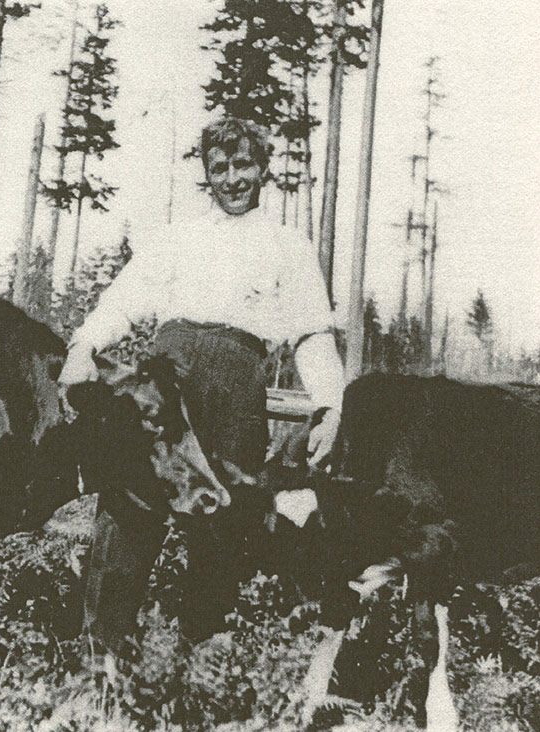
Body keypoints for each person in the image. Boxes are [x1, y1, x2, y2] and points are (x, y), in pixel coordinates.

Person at [59, 117, 345, 651]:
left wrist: (331, 405)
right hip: (166, 383)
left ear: (263, 167)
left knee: (224, 521)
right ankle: (100, 654)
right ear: (207, 175)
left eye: (243, 165)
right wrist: (83, 346)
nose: (233, 178)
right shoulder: (177, 237)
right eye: (220, 168)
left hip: (237, 389)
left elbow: (312, 334)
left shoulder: (290, 245)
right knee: (130, 507)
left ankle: (201, 658)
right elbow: (125, 300)